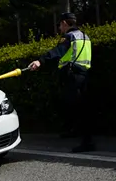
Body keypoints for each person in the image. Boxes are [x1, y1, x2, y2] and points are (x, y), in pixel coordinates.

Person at [28, 12, 95, 152]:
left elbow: (58, 51)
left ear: (65, 23)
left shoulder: (69, 37)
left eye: (60, 25)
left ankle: (88, 142)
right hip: (84, 75)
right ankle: (74, 131)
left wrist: (40, 61)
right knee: (76, 106)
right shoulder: (84, 36)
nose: (59, 28)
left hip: (73, 76)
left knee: (79, 108)